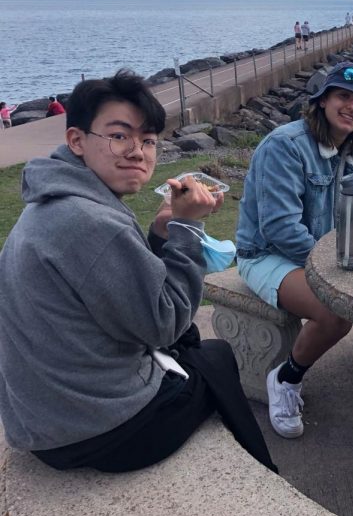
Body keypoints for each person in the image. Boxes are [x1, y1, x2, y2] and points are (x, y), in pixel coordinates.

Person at [0, 69, 276, 474]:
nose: (137, 151)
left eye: (147, 140)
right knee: (216, 358)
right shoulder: (90, 221)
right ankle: (259, 471)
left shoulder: (54, 202)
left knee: (194, 347)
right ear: (76, 140)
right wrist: (187, 228)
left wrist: (161, 234)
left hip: (42, 419)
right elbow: (164, 323)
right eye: (119, 135)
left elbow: (116, 289)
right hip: (100, 432)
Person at [235, 62, 353, 440]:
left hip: (317, 254)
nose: (352, 107)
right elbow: (280, 228)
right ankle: (285, 379)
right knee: (335, 312)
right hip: (266, 255)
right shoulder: (286, 146)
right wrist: (333, 267)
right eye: (343, 96)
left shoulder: (350, 149)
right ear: (322, 101)